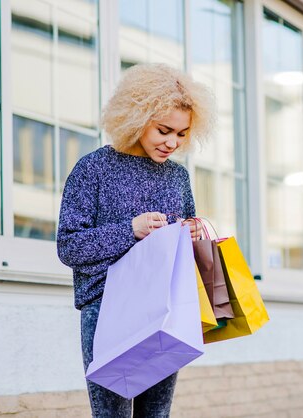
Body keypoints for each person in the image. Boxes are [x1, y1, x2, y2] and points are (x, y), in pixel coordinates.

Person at [56, 63, 216, 417]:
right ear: (136, 116)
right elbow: (69, 246)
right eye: (164, 130)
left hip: (164, 308)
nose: (172, 143)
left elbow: (178, 254)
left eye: (182, 134)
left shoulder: (178, 177)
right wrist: (131, 229)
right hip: (107, 308)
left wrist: (190, 235)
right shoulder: (93, 169)